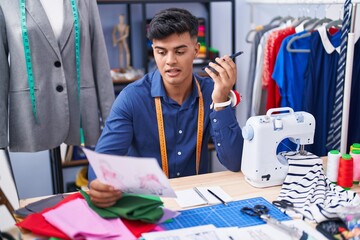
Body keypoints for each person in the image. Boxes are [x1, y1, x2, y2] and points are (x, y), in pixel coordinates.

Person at [88, 8, 243, 208]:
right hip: (147, 204)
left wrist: (221, 100)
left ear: (196, 51)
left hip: (198, 202)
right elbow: (103, 164)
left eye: (180, 51)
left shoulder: (213, 92)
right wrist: (99, 184)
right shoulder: (132, 98)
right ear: (153, 50)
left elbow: (235, 162)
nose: (170, 61)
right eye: (161, 52)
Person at [0, 0, 114, 152]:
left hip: (81, 111)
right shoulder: (6, 3)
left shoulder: (85, 2)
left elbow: (99, 58)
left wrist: (112, 125)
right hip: (31, 117)